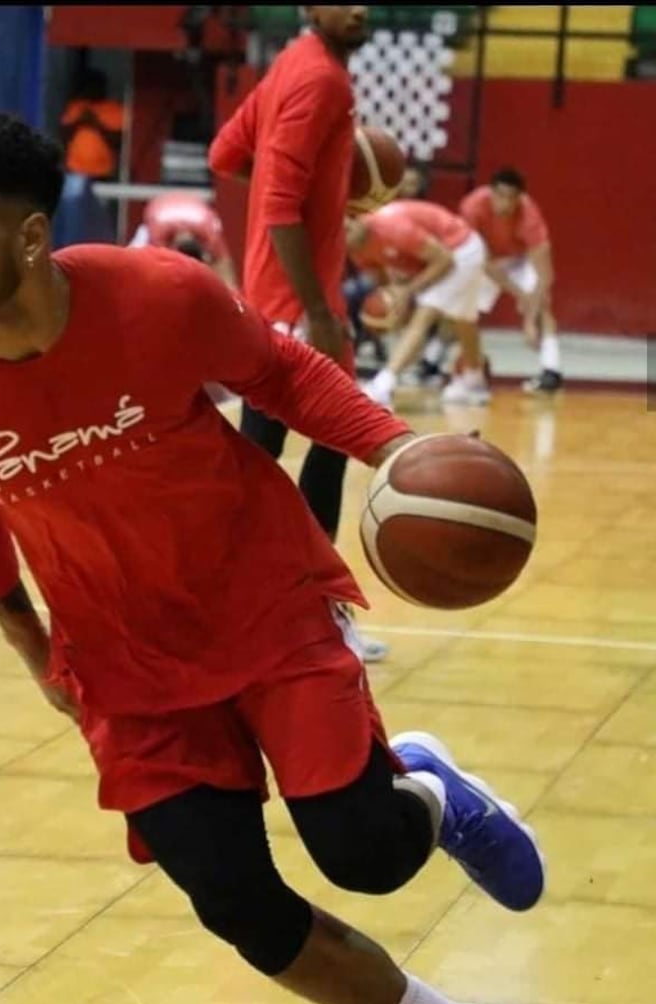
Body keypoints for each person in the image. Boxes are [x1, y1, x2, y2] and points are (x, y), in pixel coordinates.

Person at [0, 111, 550, 1004]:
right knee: (239, 904)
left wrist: (399, 448)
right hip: (126, 667)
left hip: (261, 605)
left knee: (364, 853)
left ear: (33, 235)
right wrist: (28, 645)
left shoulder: (157, 295)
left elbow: (283, 377)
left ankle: (426, 789)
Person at [208, 6, 387, 663]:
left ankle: (231, 604)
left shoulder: (290, 63)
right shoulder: (321, 81)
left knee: (255, 461)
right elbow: (280, 203)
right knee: (333, 445)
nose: (359, 8)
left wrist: (310, 196)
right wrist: (316, 309)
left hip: (268, 298)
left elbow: (225, 154)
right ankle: (319, 615)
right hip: (295, 304)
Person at [347, 200, 490, 407]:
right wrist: (392, 303)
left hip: (461, 249)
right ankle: (474, 383)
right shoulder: (355, 248)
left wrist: (407, 293)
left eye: (351, 221)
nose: (348, 228)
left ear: (361, 218)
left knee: (423, 317)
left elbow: (444, 259)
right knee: (464, 320)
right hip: (447, 255)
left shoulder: (392, 228)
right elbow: (384, 282)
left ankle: (383, 385)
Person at [460, 168, 562, 394]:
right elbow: (483, 263)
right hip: (486, 263)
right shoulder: (472, 207)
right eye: (500, 196)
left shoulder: (530, 216)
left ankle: (551, 371)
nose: (505, 203)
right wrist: (521, 295)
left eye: (511, 198)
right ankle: (436, 362)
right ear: (490, 193)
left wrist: (529, 318)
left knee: (543, 303)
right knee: (460, 307)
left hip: (519, 259)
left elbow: (546, 275)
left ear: (520, 198)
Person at [128, 191, 238, 287]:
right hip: (160, 215)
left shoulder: (210, 232)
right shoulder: (157, 233)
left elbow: (223, 263)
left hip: (172, 208)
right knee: (135, 264)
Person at [59, 66, 126, 181]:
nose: (91, 90)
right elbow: (64, 135)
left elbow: (119, 140)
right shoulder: (76, 106)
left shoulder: (114, 109)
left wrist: (96, 123)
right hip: (75, 170)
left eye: (95, 86)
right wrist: (79, 122)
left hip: (103, 172)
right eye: (88, 86)